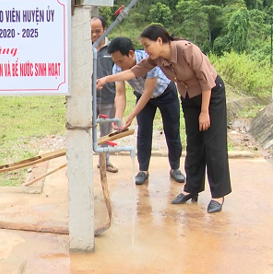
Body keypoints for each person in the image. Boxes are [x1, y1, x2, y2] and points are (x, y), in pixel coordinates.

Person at [96, 25, 231, 213]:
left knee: (213, 143)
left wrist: (205, 112)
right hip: (189, 96)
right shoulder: (156, 59)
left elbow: (206, 80)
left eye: (147, 45)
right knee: (194, 143)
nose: (146, 50)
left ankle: (218, 194)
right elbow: (134, 72)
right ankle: (191, 188)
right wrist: (106, 80)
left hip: (211, 94)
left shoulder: (187, 49)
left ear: (160, 41)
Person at [107, 37, 185, 185]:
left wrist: (131, 116)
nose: (119, 66)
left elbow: (149, 92)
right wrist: (118, 119)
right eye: (115, 62)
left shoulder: (149, 60)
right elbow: (120, 94)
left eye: (121, 61)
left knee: (172, 131)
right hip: (142, 96)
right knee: (143, 132)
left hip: (165, 93)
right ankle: (143, 170)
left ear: (131, 53)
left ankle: (175, 168)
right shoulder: (117, 67)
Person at [91, 16, 118, 173]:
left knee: (106, 131)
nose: (94, 35)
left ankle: (105, 161)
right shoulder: (85, 49)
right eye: (91, 32)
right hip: (89, 99)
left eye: (98, 31)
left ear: (105, 29)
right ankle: (84, 161)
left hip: (108, 98)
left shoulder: (112, 49)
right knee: (86, 129)